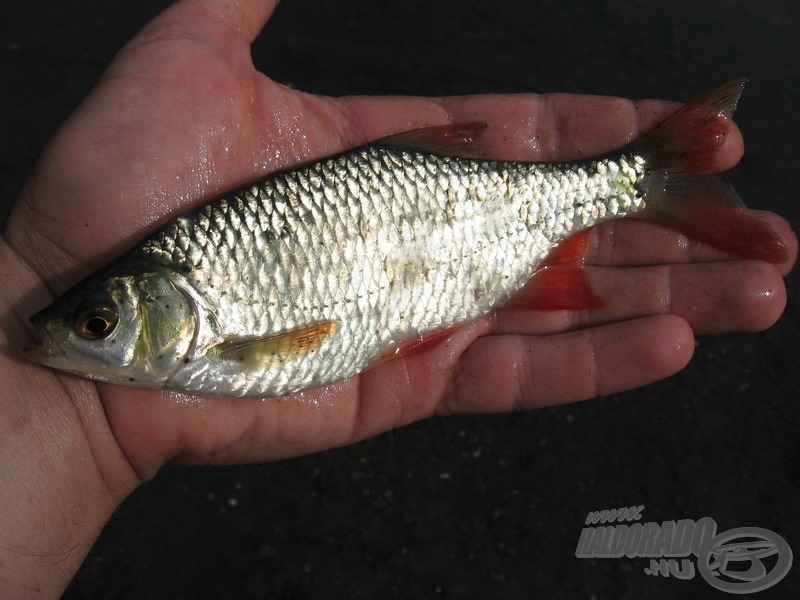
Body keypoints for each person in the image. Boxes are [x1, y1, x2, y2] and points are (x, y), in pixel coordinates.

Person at [0, 0, 795, 596]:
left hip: (443, 229)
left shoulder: (200, 336)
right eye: (98, 323)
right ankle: (639, 180)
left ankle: (639, 178)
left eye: (98, 323)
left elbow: (297, 348)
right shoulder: (171, 313)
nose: (82, 336)